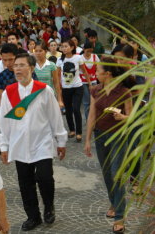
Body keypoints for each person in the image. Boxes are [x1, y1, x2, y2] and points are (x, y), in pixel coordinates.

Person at [0, 53, 67, 231]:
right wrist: (4, 146)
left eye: (22, 65)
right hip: (19, 144)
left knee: (45, 177)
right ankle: (33, 216)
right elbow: (4, 121)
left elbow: (55, 117)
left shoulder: (44, 90)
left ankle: (49, 206)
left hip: (42, 142)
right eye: (16, 66)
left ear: (31, 68)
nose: (18, 69)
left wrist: (61, 141)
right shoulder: (9, 92)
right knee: (25, 183)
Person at [84, 58, 133, 234]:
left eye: (98, 70)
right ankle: (114, 201)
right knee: (106, 172)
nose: (95, 73)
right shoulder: (95, 90)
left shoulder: (124, 91)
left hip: (118, 135)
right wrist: (88, 139)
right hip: (100, 135)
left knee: (116, 173)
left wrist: (123, 118)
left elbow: (131, 116)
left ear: (107, 74)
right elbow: (91, 116)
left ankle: (120, 216)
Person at [56, 40, 91, 142]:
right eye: (62, 47)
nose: (64, 48)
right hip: (66, 89)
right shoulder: (59, 60)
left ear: (72, 47)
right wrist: (59, 90)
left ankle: (79, 132)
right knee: (68, 110)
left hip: (77, 87)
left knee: (76, 108)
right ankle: (72, 130)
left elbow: (84, 71)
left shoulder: (78, 58)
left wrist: (89, 83)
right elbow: (58, 76)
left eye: (66, 46)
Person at [34, 42, 63, 107]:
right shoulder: (31, 66)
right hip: (35, 97)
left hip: (49, 96)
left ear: (46, 51)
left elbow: (56, 83)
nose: (38, 53)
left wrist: (59, 100)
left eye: (40, 51)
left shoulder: (51, 65)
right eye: (36, 51)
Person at [80, 43, 100, 120]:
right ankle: (88, 120)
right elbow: (82, 71)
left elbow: (98, 68)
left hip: (94, 81)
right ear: (84, 50)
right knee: (86, 102)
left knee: (95, 101)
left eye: (91, 51)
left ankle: (95, 120)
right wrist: (89, 84)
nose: (89, 53)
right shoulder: (80, 58)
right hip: (83, 82)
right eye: (87, 51)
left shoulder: (95, 57)